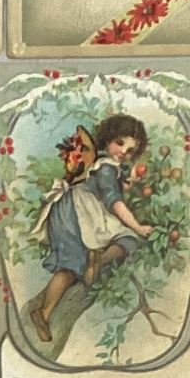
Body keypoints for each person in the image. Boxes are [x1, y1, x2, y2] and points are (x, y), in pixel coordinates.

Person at [27, 116, 153, 344]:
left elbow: (113, 187)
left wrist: (130, 181)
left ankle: (43, 313)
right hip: (80, 214)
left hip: (63, 216)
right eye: (120, 143)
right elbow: (114, 201)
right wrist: (137, 226)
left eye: (130, 150)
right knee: (129, 239)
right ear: (107, 139)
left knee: (69, 267)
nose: (124, 151)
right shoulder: (106, 168)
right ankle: (99, 259)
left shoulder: (102, 164)